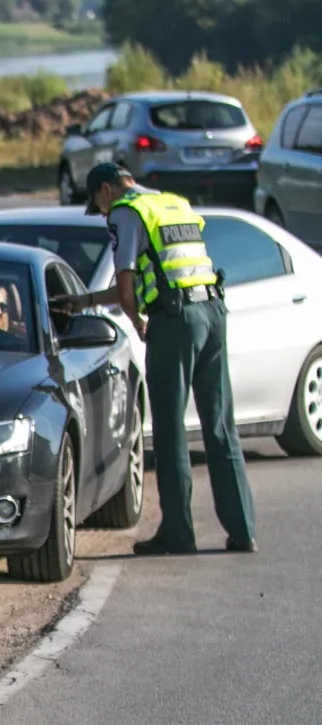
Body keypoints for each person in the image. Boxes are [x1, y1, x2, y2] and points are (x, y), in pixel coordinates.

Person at [60, 161, 256, 555]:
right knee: (220, 426)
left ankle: (178, 533)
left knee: (170, 430)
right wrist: (85, 302)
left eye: (98, 207)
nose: (102, 216)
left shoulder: (125, 212)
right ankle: (243, 530)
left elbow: (128, 286)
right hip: (213, 313)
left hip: (175, 321)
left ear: (105, 191)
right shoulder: (173, 204)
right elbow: (165, 273)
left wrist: (137, 322)